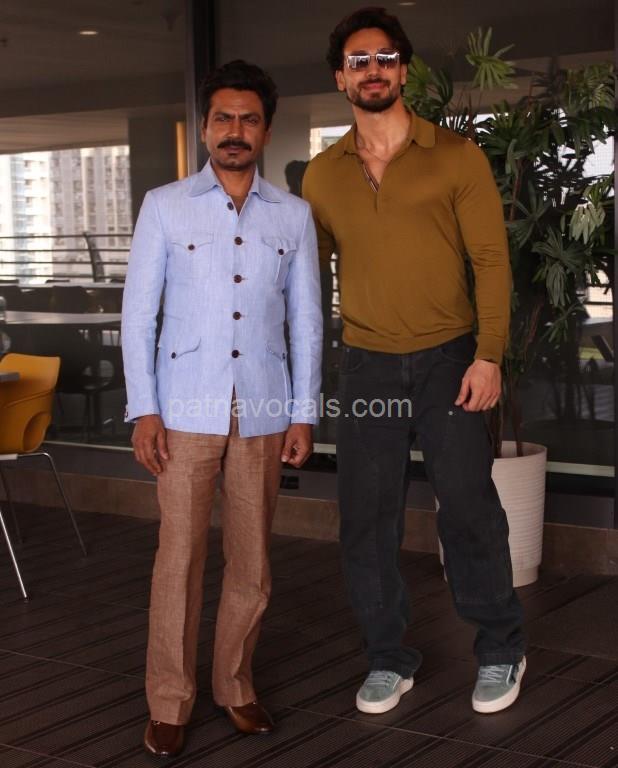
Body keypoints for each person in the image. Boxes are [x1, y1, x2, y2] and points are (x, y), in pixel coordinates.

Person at [302, 6, 526, 717]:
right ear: (340, 78)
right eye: (358, 61)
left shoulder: (456, 156)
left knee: (467, 507)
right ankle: (388, 657)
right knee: (366, 518)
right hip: (366, 365)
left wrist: (488, 356)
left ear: (403, 70)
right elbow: (309, 288)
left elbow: (491, 262)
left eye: (385, 58)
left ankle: (500, 647)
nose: (372, 71)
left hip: (448, 362)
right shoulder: (321, 177)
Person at [122, 59, 322, 758]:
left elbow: (307, 320)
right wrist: (144, 410)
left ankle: (234, 685)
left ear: (265, 130)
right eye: (223, 118)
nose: (235, 131)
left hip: (263, 409)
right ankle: (168, 700)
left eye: (249, 119)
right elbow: (138, 315)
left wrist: (303, 412)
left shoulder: (294, 215)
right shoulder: (165, 205)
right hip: (182, 410)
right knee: (178, 557)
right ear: (205, 127)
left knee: (252, 560)